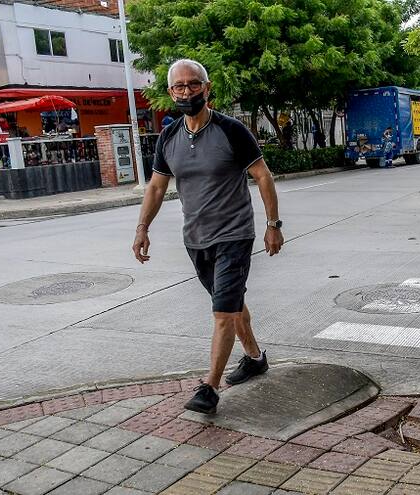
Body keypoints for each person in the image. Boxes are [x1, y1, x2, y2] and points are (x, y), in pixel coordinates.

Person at [132, 59, 284, 415]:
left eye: (193, 84)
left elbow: (263, 176)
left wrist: (273, 224)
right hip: (195, 239)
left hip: (234, 235)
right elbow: (156, 186)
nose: (187, 91)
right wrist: (142, 227)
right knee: (230, 306)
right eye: (180, 87)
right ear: (171, 93)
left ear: (207, 87)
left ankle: (210, 387)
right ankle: (255, 358)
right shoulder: (168, 137)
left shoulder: (232, 131)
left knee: (222, 312)